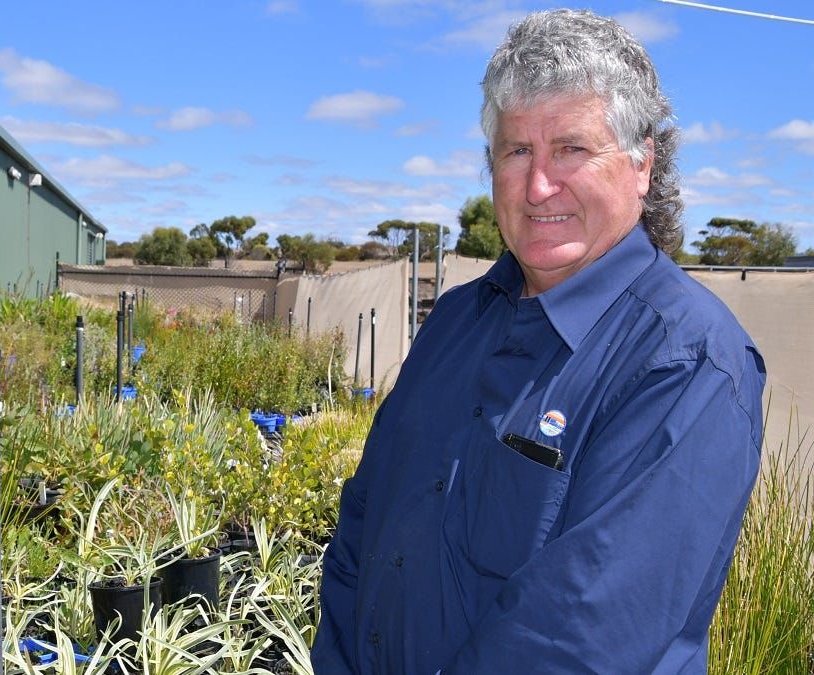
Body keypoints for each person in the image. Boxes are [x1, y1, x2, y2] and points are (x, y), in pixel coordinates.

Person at [311, 9, 765, 674]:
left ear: (643, 163)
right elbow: (361, 525)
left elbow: (575, 642)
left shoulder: (687, 362)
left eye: (572, 149)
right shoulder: (455, 320)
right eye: (517, 150)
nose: (538, 184)